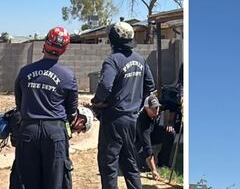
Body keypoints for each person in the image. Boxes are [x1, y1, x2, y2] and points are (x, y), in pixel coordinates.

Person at [11, 27, 87, 189]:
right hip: (55, 134)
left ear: (45, 43)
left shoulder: (25, 72)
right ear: (64, 49)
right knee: (55, 182)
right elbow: (71, 111)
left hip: (28, 131)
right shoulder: (68, 76)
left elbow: (20, 104)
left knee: (27, 181)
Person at [91, 21, 156, 189]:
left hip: (113, 119)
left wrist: (96, 102)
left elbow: (105, 86)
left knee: (109, 164)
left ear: (113, 39)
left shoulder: (112, 60)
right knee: (130, 162)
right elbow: (150, 85)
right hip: (132, 119)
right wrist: (137, 104)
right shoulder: (140, 60)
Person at [136, 94, 162, 180]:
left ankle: (163, 162)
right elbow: (147, 148)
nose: (156, 110)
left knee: (169, 134)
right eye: (153, 108)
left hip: (151, 133)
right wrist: (154, 170)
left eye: (157, 107)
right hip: (138, 141)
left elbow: (169, 105)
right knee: (144, 167)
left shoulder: (156, 111)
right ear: (146, 108)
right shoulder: (143, 122)